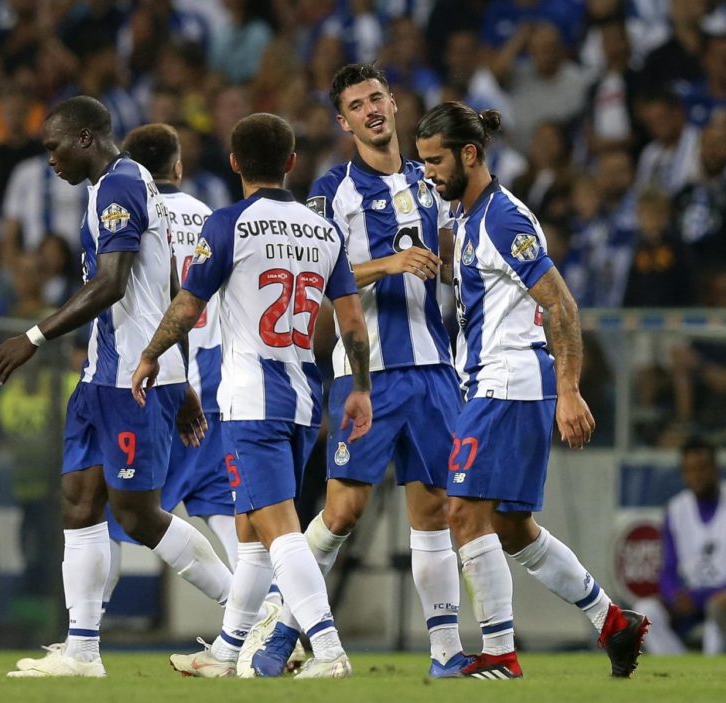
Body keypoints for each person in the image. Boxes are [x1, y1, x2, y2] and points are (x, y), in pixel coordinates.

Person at [0, 96, 232, 678]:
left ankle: (255, 612)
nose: (50, 159)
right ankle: (82, 650)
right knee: (78, 500)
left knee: (138, 515)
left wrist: (33, 337)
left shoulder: (120, 185)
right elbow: (172, 283)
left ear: (87, 138)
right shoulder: (119, 185)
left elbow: (114, 284)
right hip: (106, 372)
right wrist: (184, 371)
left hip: (130, 380)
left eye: (55, 147)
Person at [246, 63, 469, 679]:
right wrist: (389, 263)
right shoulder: (332, 188)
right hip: (364, 370)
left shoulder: (431, 182)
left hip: (435, 369)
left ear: (394, 105)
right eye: (356, 104)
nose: (371, 109)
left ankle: (447, 654)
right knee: (343, 511)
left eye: (377, 97)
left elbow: (449, 255)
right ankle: (279, 628)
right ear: (343, 122)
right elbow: (314, 279)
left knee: (438, 509)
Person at [131, 112, 372, 679]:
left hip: (248, 397)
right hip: (303, 396)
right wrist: (359, 386)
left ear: (235, 162)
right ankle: (228, 649)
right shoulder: (324, 231)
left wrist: (150, 354)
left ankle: (329, 649)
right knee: (249, 532)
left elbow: (189, 305)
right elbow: (352, 321)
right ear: (291, 163)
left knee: (277, 526)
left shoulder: (229, 224)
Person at [414, 101, 650, 679]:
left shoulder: (503, 218)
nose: (428, 173)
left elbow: (561, 304)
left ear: (470, 154)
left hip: (508, 382)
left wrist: (569, 389)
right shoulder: (468, 218)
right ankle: (611, 621)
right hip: (491, 384)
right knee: (512, 528)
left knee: (462, 512)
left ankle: (499, 653)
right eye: (422, 163)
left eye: (436, 161)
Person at [99, 123, 237, 617]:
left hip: (148, 383)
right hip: (213, 381)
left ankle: (83, 635)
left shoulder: (125, 214)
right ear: (179, 167)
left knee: (108, 509)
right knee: (223, 511)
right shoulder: (212, 219)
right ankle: (267, 619)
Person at [635, 437, 726, 655]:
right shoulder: (676, 510)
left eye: (702, 468)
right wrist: (674, 594)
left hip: (722, 598)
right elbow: (667, 568)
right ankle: (678, 667)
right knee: (644, 612)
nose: (697, 476)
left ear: (716, 469)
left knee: (717, 609)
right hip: (690, 598)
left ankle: (712, 671)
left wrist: (710, 596)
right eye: (690, 470)